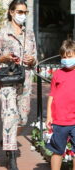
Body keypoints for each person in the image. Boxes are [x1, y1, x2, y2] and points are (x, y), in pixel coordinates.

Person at [0, 0, 37, 169]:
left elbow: (35, 57)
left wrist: (32, 60)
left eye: (25, 12)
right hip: (8, 81)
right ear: (11, 12)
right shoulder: (3, 32)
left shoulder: (30, 33)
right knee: (9, 116)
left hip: (25, 79)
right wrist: (4, 58)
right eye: (19, 11)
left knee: (23, 118)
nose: (22, 15)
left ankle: (8, 137)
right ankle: (11, 157)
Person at [46, 39, 75, 170]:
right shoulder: (57, 74)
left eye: (69, 57)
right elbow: (51, 96)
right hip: (59, 120)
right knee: (57, 151)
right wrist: (48, 116)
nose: (66, 59)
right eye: (63, 57)